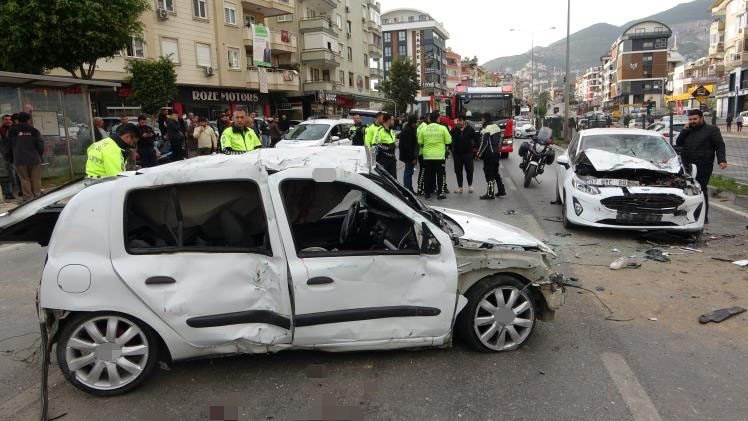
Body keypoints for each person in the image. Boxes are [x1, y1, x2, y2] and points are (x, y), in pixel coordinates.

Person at [676, 109, 728, 224]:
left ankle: (703, 217)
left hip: (703, 165)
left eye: (695, 119)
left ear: (701, 118)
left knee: (700, 189)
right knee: (686, 190)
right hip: (687, 165)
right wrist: (684, 130)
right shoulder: (687, 130)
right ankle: (687, 215)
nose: (692, 121)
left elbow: (719, 146)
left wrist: (722, 160)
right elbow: (679, 143)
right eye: (690, 119)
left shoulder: (712, 130)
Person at [8, 112, 44, 201]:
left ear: (17, 120)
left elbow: (8, 146)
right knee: (36, 179)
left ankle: (28, 198)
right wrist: (39, 155)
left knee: (24, 179)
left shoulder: (12, 131)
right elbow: (40, 145)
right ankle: (37, 196)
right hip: (34, 159)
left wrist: (10, 158)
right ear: (28, 120)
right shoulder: (34, 130)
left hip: (19, 159)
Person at [418, 111, 452, 200]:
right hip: (439, 156)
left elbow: (420, 142)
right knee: (440, 174)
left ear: (430, 118)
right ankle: (440, 193)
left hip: (427, 155)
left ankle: (427, 193)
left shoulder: (423, 129)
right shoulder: (443, 128)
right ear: (438, 118)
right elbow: (449, 141)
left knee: (428, 174)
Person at [477, 113, 507, 200]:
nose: (481, 121)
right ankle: (501, 190)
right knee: (495, 172)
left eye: (482, 119)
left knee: (489, 173)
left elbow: (484, 143)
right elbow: (500, 140)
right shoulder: (496, 127)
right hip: (496, 153)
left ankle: (490, 194)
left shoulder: (486, 129)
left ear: (485, 119)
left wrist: (478, 154)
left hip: (489, 154)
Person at [451, 116, 476, 193]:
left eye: (460, 121)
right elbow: (449, 139)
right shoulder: (454, 130)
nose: (458, 122)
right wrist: (450, 148)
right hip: (457, 154)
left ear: (464, 121)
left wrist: (475, 150)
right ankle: (460, 187)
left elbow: (476, 139)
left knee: (469, 170)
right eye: (457, 121)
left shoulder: (470, 129)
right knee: (458, 170)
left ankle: (470, 186)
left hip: (468, 153)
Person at [398, 115, 419, 192]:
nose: (417, 124)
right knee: (408, 173)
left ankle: (409, 188)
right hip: (409, 156)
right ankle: (408, 190)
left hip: (408, 155)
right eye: (416, 122)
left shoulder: (409, 129)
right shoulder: (408, 130)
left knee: (409, 172)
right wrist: (412, 158)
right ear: (413, 122)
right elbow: (408, 146)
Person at [1, 114, 17, 199]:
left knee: (16, 174)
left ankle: (17, 190)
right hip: (5, 155)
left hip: (16, 154)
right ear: (2, 121)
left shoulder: (15, 129)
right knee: (7, 174)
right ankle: (8, 192)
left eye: (9, 119)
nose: (8, 121)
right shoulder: (1, 130)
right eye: (6, 119)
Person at [415, 114, 430, 195]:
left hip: (421, 152)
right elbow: (422, 140)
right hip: (423, 152)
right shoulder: (424, 127)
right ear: (427, 118)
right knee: (423, 171)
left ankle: (421, 188)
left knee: (422, 170)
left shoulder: (421, 126)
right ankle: (420, 188)